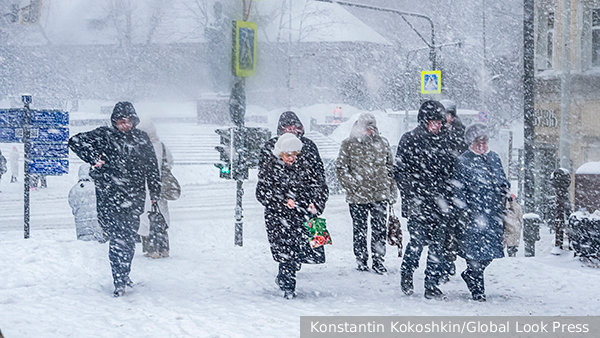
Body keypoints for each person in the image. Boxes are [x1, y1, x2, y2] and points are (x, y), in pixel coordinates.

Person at [69, 101, 161, 297]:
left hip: (134, 198)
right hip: (110, 197)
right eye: (121, 121)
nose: (125, 125)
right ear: (114, 121)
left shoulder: (141, 139)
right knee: (117, 240)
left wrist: (154, 193)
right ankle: (118, 279)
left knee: (128, 240)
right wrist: (94, 158)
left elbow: (152, 167)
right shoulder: (104, 135)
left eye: (128, 121)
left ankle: (124, 273)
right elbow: (75, 141)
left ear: (134, 120)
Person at [256, 133, 329, 299]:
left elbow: (320, 187)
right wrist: (282, 201)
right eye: (288, 155)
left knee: (297, 253)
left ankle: (285, 278)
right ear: (280, 153)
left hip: (302, 216)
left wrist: (316, 204)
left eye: (295, 155)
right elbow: (261, 193)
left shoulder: (305, 166)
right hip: (279, 218)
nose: (292, 159)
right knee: (286, 253)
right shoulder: (270, 168)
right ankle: (288, 286)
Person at [394, 100, 453, 299]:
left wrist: (449, 195)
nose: (436, 126)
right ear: (424, 121)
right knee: (417, 241)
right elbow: (400, 172)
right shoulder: (410, 139)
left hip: (441, 203)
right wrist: (413, 192)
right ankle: (407, 272)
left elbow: (453, 172)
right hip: (418, 202)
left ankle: (432, 284)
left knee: (438, 245)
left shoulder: (447, 141)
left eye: (439, 122)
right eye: (432, 122)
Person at [452, 122, 510, 302]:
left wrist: (505, 190)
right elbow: (458, 189)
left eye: (485, 141)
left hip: (492, 214)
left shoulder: (494, 157)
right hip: (474, 215)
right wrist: (463, 210)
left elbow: (502, 180)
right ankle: (478, 290)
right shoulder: (463, 160)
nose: (482, 145)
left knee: (490, 253)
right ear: (470, 142)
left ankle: (470, 275)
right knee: (474, 254)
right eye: (478, 141)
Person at [334, 113, 397, 274]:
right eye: (366, 127)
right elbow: (341, 168)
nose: (370, 130)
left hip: (380, 195)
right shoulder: (348, 144)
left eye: (372, 127)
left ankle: (378, 260)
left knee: (379, 230)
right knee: (360, 230)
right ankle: (361, 259)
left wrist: (391, 191)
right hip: (357, 197)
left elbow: (390, 168)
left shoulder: (383, 143)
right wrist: (352, 185)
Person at [439, 99, 469, 281]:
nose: (447, 118)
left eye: (449, 114)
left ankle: (450, 260)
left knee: (455, 230)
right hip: (442, 188)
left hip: (456, 188)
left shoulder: (461, 132)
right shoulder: (436, 132)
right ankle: (445, 263)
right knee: (443, 230)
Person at [137, 119, 174, 259]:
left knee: (146, 219)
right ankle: (164, 248)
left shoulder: (139, 147)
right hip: (161, 187)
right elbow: (169, 163)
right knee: (161, 217)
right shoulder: (162, 146)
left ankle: (151, 249)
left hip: (144, 187)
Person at [258, 111, 325, 183]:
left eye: (295, 125)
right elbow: (263, 173)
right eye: (287, 125)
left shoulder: (309, 145)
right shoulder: (270, 146)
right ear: (281, 128)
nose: (292, 128)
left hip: (304, 189)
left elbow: (318, 171)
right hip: (277, 188)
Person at [68, 163, 104, 241]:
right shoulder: (97, 186)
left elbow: (72, 204)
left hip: (81, 226)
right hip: (97, 225)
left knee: (84, 248)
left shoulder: (74, 189)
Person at [550, 168, 572, 254]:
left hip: (562, 203)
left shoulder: (560, 196)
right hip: (563, 202)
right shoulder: (564, 195)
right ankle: (561, 244)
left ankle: (559, 244)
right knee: (562, 218)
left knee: (560, 219)